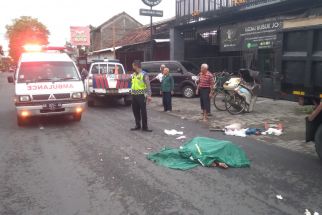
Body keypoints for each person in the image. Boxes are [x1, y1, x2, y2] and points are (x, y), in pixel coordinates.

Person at [130, 60, 152, 132]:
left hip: (141, 95)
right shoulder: (133, 74)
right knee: (135, 111)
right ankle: (137, 125)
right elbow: (128, 79)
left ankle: (145, 127)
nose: (132, 67)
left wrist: (149, 95)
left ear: (136, 66)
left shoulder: (144, 74)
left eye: (133, 65)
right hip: (134, 95)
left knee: (143, 111)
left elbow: (148, 85)